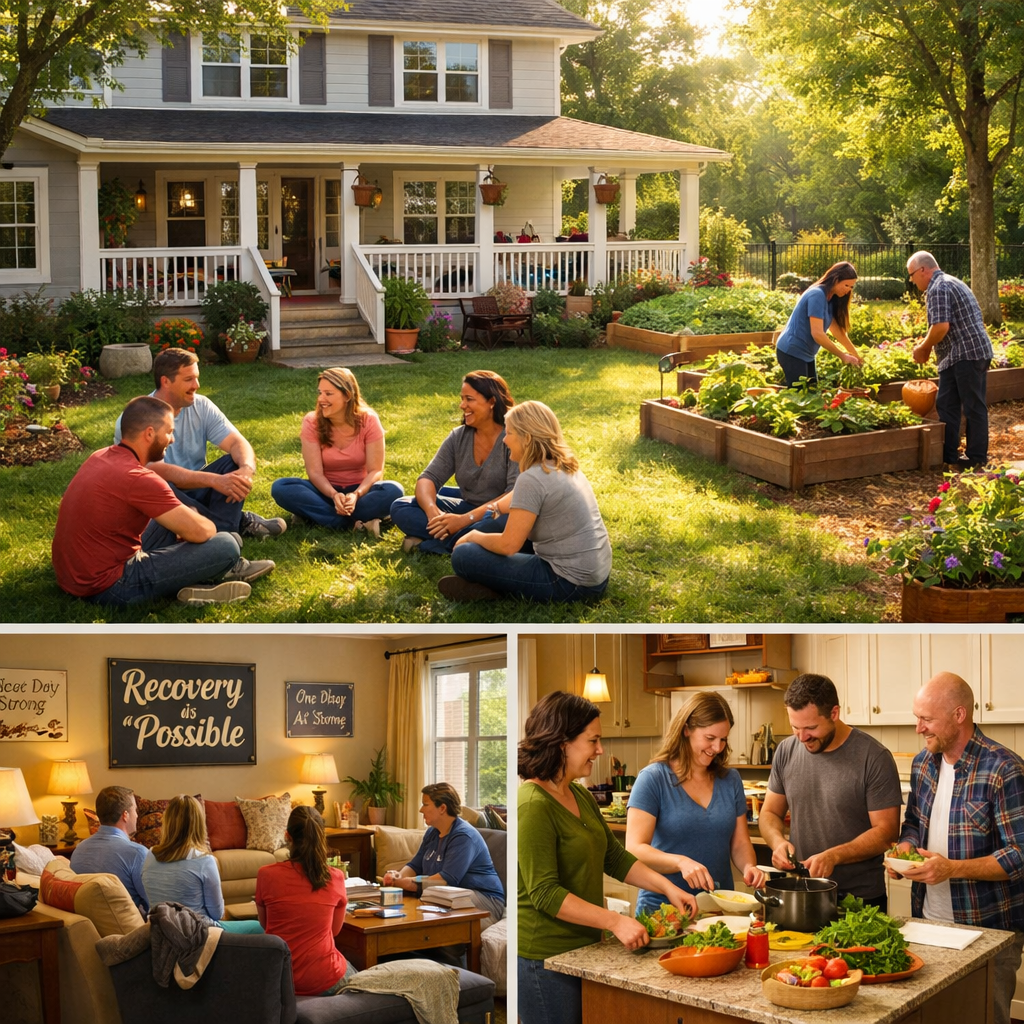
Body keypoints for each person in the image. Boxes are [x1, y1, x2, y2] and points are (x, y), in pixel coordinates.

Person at [518, 691, 698, 1024]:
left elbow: (614, 858)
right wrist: (615, 921)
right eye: (593, 740)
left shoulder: (579, 794)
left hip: (583, 950)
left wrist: (667, 887)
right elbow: (545, 893)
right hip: (542, 958)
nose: (600, 750)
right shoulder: (532, 805)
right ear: (561, 743)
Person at [892, 672, 1024, 1024]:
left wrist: (952, 868)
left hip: (989, 930)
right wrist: (903, 851)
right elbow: (914, 825)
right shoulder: (923, 764)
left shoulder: (1004, 768)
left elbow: (1019, 854)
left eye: (927, 719)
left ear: (959, 715)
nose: (919, 728)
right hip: (928, 922)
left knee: (985, 1017)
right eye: (917, 717)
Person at [53, 395, 271, 606]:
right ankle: (210, 573)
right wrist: (193, 521)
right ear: (150, 433)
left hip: (72, 576)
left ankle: (196, 583)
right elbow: (203, 532)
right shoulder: (139, 478)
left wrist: (186, 517)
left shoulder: (100, 455)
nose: (172, 439)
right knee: (227, 545)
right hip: (110, 586)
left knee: (170, 519)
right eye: (169, 432)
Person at [441, 400, 611, 602]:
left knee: (464, 555)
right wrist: (490, 511)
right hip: (596, 577)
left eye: (510, 433)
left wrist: (473, 536)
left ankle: (494, 590)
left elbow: (508, 546)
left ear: (527, 438)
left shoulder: (532, 479)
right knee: (500, 532)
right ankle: (495, 583)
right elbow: (506, 503)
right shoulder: (559, 465)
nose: (504, 440)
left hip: (569, 584)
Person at [758, 673, 902, 909]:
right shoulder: (786, 750)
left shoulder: (874, 757)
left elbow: (886, 833)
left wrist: (834, 856)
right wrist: (777, 843)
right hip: (803, 895)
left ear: (834, 713)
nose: (802, 737)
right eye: (795, 727)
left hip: (859, 901)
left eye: (811, 727)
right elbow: (770, 814)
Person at [114, 347, 286, 541]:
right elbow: (152, 472)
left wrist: (245, 471)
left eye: (196, 377)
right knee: (162, 486)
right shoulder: (136, 418)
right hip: (160, 494)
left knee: (233, 463)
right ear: (166, 382)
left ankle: (221, 537)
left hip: (197, 489)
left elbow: (238, 443)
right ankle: (234, 528)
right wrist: (214, 480)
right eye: (188, 379)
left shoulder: (200, 405)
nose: (197, 385)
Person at [626, 692, 765, 914]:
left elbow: (739, 843)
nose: (717, 748)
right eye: (710, 738)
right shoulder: (653, 778)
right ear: (686, 729)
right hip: (663, 911)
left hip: (717, 909)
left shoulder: (731, 780)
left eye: (723, 739)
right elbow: (634, 849)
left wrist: (749, 867)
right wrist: (680, 862)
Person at [390, 371, 518, 554]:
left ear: (492, 402)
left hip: (496, 514)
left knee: (506, 523)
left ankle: (433, 545)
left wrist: (464, 520)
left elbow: (514, 494)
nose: (462, 405)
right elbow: (428, 478)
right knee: (401, 506)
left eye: (469, 399)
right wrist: (432, 511)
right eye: (462, 399)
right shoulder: (458, 437)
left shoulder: (512, 438)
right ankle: (465, 544)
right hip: (466, 507)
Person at [270, 367, 403, 537]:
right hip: (324, 491)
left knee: (394, 490)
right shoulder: (312, 422)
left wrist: (355, 495)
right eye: (320, 393)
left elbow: (375, 471)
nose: (321, 399)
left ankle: (320, 517)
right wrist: (334, 495)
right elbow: (314, 473)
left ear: (347, 396)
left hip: (360, 494)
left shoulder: (369, 420)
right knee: (281, 487)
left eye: (328, 394)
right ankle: (354, 522)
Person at [254, 806, 355, 996]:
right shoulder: (335, 877)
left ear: (287, 836)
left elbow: (266, 924)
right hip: (324, 977)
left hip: (280, 976)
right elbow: (333, 931)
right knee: (357, 976)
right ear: (320, 836)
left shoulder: (266, 875)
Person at [907, 251, 994, 469]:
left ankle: (976, 458)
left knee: (972, 406)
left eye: (911, 275)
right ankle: (948, 455)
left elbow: (941, 326)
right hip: (964, 354)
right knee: (947, 404)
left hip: (966, 354)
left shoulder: (938, 288)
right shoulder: (952, 282)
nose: (911, 280)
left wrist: (923, 348)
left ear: (923, 270)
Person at [381, 783, 505, 927]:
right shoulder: (432, 832)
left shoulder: (463, 836)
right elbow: (415, 865)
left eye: (425, 804)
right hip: (447, 894)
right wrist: (398, 876)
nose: (421, 810)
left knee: (439, 896)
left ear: (442, 808)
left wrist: (405, 883)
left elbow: (446, 881)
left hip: (485, 898)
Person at [141, 795, 263, 934]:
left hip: (161, 932)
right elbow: (217, 914)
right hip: (199, 935)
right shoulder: (204, 861)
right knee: (258, 927)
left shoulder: (149, 856)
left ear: (167, 822)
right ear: (199, 824)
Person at [775, 261, 862, 386]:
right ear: (836, 279)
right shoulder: (817, 295)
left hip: (807, 355)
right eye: (846, 285)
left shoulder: (831, 298)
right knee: (801, 398)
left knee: (812, 394)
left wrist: (856, 356)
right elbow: (817, 334)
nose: (848, 290)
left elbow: (838, 332)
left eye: (851, 287)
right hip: (792, 351)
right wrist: (842, 356)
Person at [70, 786, 149, 914]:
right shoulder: (137, 854)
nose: (137, 815)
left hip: (92, 927)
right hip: (129, 930)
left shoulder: (79, 849)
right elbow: (154, 904)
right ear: (125, 815)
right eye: (135, 810)